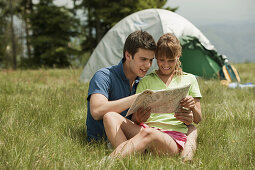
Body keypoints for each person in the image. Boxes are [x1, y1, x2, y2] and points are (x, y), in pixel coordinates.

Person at [103, 33, 202, 159]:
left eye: (171, 60)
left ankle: (108, 162)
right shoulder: (146, 81)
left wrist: (192, 107)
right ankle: (129, 157)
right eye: (161, 60)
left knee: (150, 133)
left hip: (172, 137)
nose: (166, 65)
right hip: (144, 130)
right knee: (109, 116)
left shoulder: (189, 79)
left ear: (178, 57)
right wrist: (139, 118)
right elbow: (135, 119)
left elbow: (198, 119)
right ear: (156, 57)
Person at [86, 30, 157, 141]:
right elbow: (96, 111)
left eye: (151, 60)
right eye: (143, 59)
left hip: (129, 138)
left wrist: (138, 119)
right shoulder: (103, 76)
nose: (148, 65)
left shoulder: (142, 83)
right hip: (101, 141)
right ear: (128, 55)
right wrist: (137, 98)